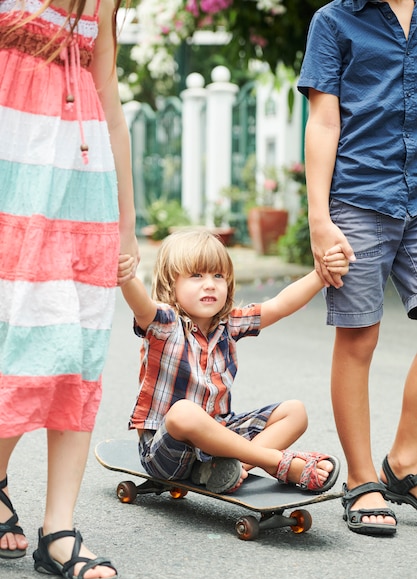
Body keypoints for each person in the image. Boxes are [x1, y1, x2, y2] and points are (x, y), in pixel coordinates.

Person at [0, 0, 140, 579]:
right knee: (13, 342)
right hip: (12, 181)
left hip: (81, 193)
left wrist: (128, 224)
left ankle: (59, 530)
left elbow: (109, 104)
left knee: (74, 349)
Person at [298, 0, 417, 536]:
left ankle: (405, 459)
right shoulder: (335, 20)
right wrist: (319, 220)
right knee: (359, 338)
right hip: (359, 197)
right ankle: (362, 478)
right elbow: (324, 120)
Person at [117, 229, 348, 496]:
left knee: (295, 412)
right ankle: (275, 462)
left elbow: (280, 305)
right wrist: (126, 277)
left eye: (218, 276)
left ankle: (230, 468)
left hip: (217, 439)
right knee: (183, 412)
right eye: (196, 275)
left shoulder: (229, 323)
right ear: (171, 284)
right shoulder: (165, 323)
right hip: (167, 452)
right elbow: (141, 305)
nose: (210, 284)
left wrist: (321, 276)